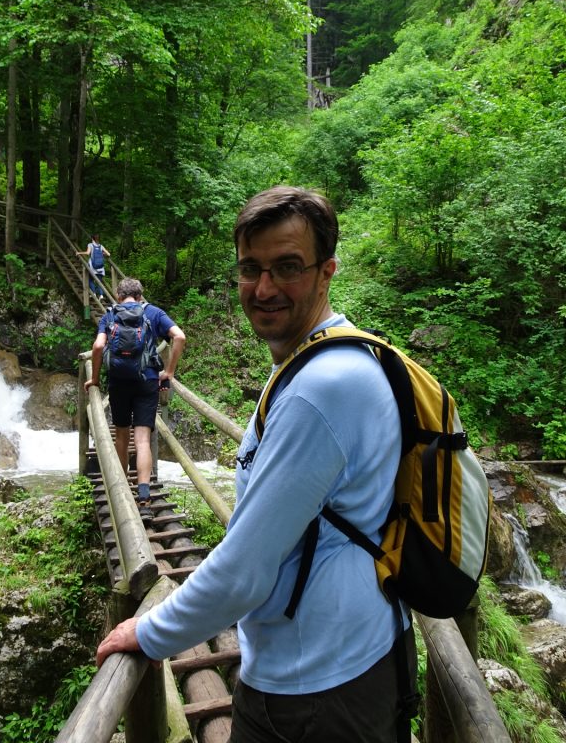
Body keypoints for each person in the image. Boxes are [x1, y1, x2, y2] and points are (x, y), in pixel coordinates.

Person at [95, 187, 410, 743]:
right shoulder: (321, 356)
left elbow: (244, 569)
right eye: (251, 269)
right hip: (342, 655)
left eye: (287, 267)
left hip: (318, 687)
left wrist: (149, 632)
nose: (264, 288)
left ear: (325, 272)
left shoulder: (320, 388)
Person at [84, 277, 186, 518]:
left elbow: (98, 347)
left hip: (119, 382)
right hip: (147, 381)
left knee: (121, 436)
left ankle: (123, 494)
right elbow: (179, 337)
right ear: (140, 295)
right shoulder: (153, 312)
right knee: (142, 441)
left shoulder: (110, 314)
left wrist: (95, 379)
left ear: (119, 296)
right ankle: (144, 499)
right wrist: (168, 372)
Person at [77, 233, 110, 298]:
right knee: (99, 281)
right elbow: (108, 254)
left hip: (93, 267)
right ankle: (101, 295)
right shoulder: (101, 246)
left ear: (92, 239)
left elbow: (87, 253)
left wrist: (79, 253)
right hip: (100, 267)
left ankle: (94, 293)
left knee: (90, 279)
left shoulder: (90, 245)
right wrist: (102, 253)